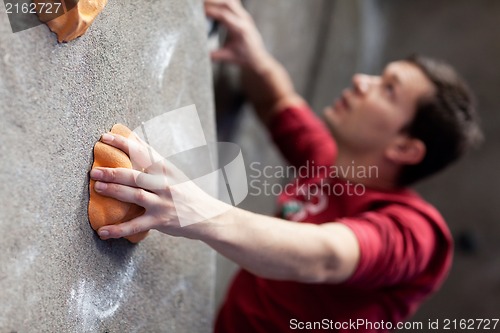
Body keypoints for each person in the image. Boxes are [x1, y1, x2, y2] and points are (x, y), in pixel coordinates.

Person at [90, 0, 482, 332]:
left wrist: (196, 210)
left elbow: (326, 256)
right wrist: (254, 58)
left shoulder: (415, 233)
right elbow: (280, 103)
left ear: (404, 147)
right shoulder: (331, 165)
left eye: (388, 89)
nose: (363, 81)